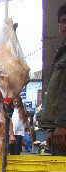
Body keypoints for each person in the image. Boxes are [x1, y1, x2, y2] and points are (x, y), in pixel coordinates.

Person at [41, 4, 66, 154]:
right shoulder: (61, 52)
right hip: (58, 129)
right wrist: (51, 127)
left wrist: (62, 124)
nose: (65, 26)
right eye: (63, 21)